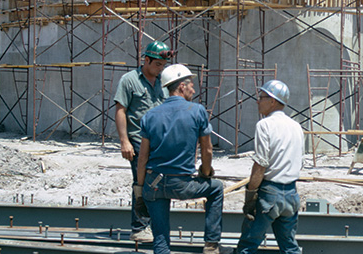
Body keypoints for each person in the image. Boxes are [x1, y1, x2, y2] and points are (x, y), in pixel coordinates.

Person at [136, 64, 227, 254]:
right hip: (182, 184)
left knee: (160, 239)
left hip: (154, 184)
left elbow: (142, 157)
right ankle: (211, 245)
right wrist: (206, 172)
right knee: (216, 188)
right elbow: (207, 149)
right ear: (182, 87)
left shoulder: (150, 115)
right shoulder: (197, 111)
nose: (194, 90)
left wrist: (140, 189)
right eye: (191, 85)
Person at [114, 40, 173, 242]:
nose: (160, 69)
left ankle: (156, 226)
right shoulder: (129, 80)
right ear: (146, 60)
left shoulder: (163, 83)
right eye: (157, 64)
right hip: (138, 141)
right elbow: (120, 111)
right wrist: (124, 141)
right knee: (142, 183)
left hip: (160, 143)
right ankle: (139, 228)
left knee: (159, 185)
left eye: (163, 66)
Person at [237, 80, 304, 254]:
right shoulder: (296, 127)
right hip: (291, 194)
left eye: (262, 97)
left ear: (273, 101)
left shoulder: (264, 125)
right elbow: (300, 162)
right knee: (289, 247)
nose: (258, 101)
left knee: (248, 245)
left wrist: (250, 195)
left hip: (270, 193)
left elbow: (261, 164)